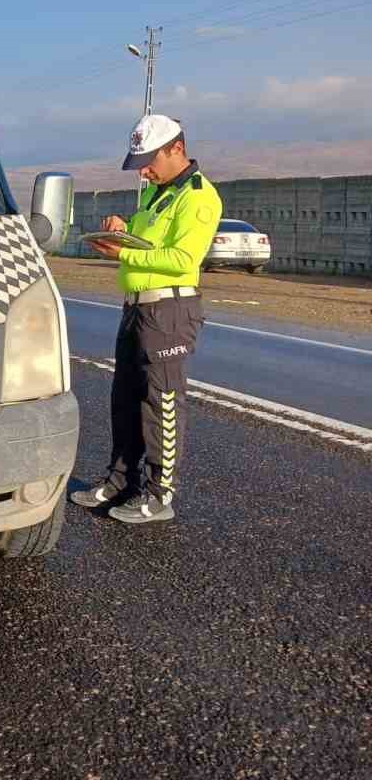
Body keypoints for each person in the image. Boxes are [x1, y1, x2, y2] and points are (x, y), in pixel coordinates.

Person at [71, 114, 222, 525]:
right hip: (136, 306)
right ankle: (122, 481)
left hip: (169, 310)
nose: (144, 170)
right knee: (124, 398)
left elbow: (181, 259)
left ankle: (159, 494)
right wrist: (121, 228)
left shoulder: (198, 197)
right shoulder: (158, 195)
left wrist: (124, 254)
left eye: (149, 159)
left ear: (176, 148)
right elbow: (141, 238)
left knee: (162, 403)